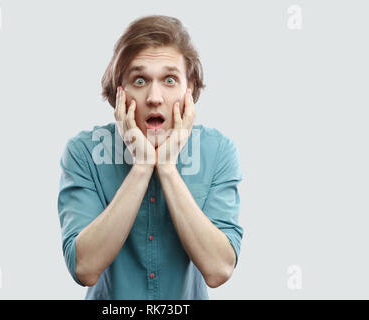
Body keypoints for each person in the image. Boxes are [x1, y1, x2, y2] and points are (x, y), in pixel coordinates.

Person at [57, 15, 244, 300]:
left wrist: (166, 168)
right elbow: (84, 268)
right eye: (140, 80)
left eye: (170, 80)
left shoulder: (218, 151)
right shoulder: (83, 152)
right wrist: (142, 166)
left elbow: (219, 269)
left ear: (189, 90)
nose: (154, 97)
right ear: (120, 91)